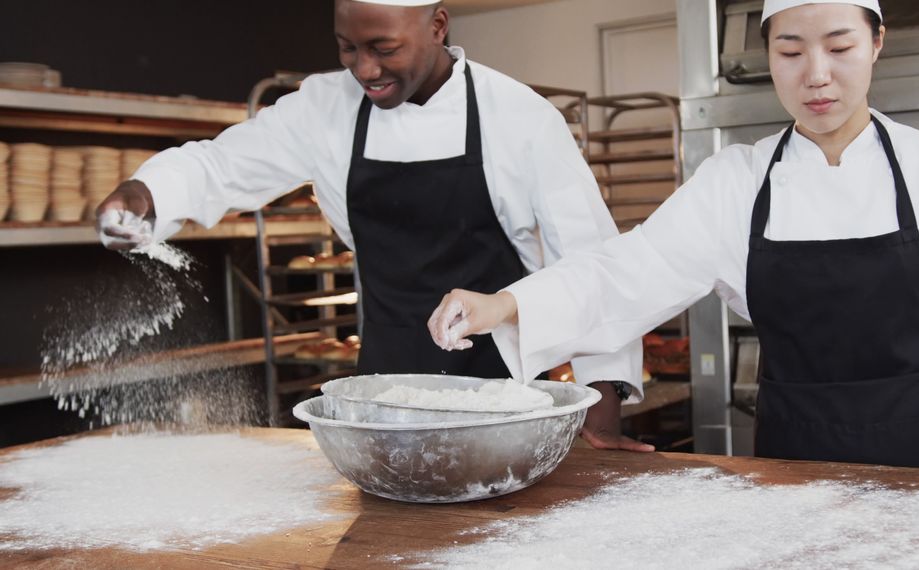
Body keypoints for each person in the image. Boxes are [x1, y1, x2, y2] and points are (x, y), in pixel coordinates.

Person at [429, 0, 919, 474]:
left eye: (840, 46)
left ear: (877, 41)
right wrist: (507, 304)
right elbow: (630, 270)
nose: (816, 74)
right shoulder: (736, 183)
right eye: (790, 52)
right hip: (788, 472)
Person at [95, 0, 649, 452]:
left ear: (437, 26)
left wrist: (601, 421)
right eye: (347, 48)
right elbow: (220, 164)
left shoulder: (520, 117)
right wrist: (147, 193)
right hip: (381, 399)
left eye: (384, 49)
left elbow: (591, 261)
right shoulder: (324, 107)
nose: (364, 69)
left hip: (508, 405)